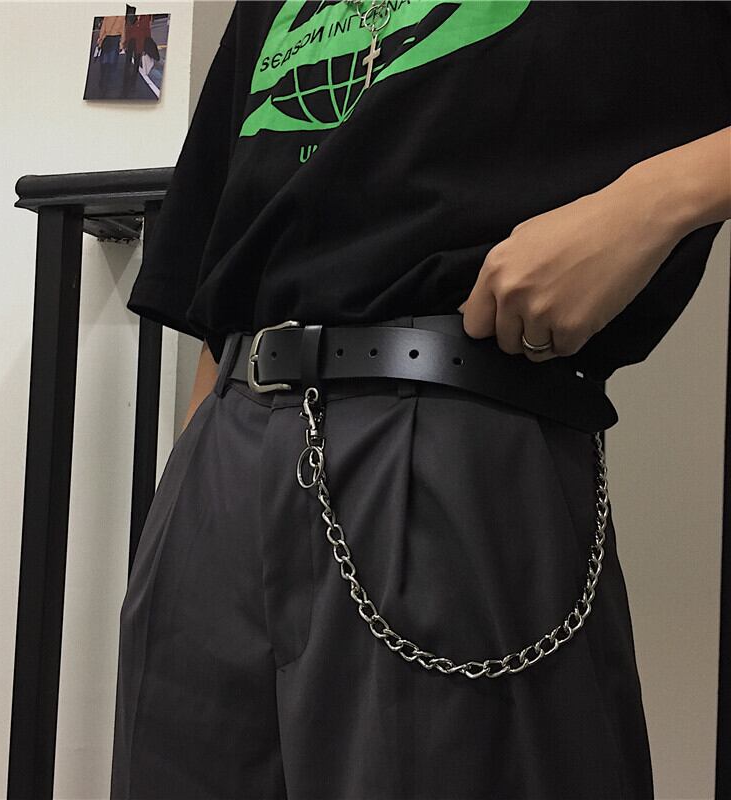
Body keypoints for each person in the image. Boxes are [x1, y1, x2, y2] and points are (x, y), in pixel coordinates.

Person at [111, 2, 731, 798]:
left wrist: (655, 199)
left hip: (454, 440)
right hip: (221, 457)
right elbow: (224, 251)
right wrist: (185, 504)